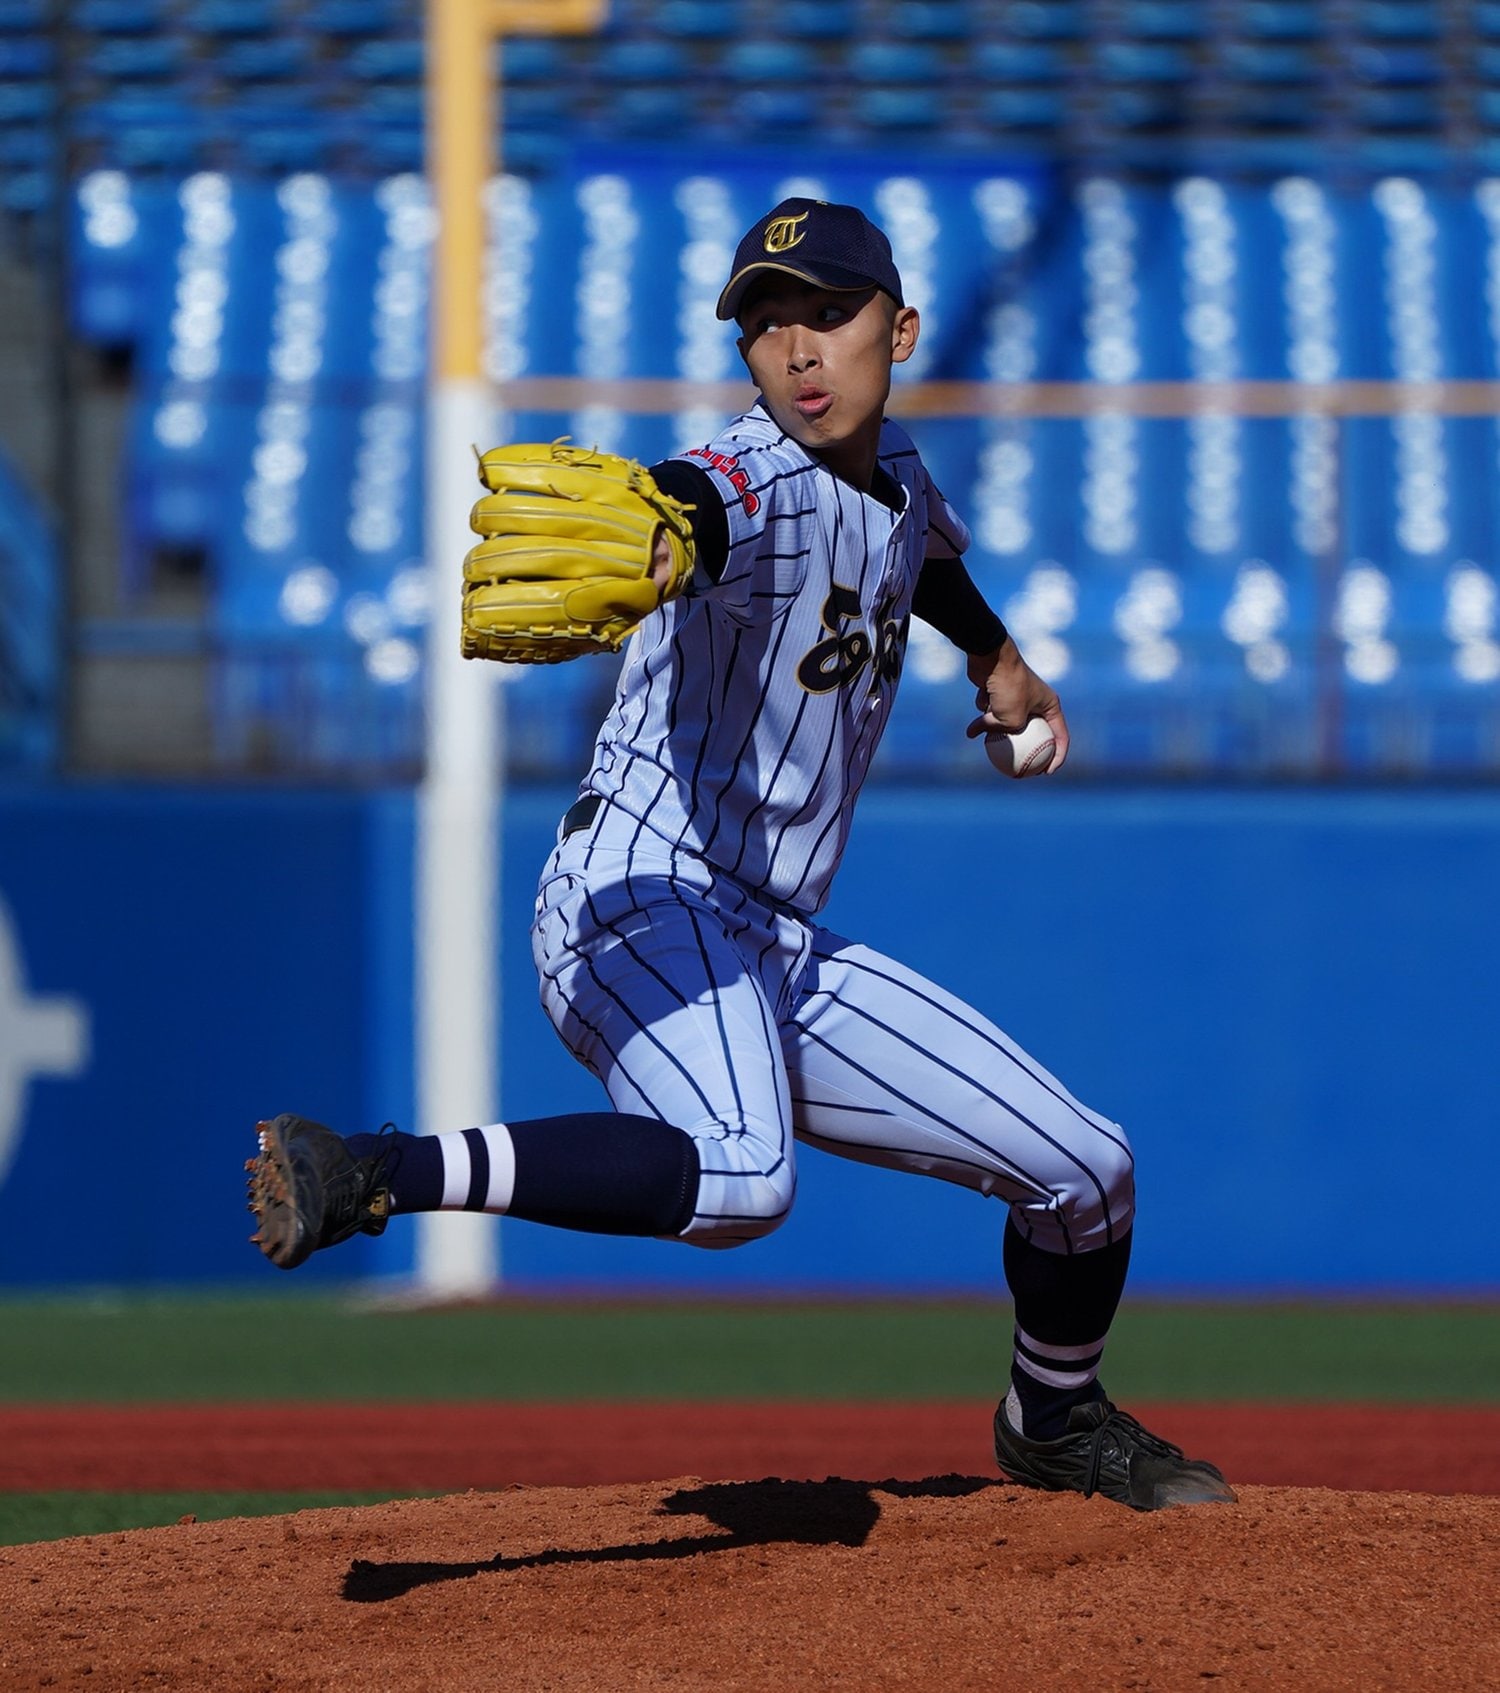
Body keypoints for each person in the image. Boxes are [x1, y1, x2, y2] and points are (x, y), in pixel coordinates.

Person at [247, 198, 1235, 1513]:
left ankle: (1053, 1415)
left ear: (903, 328)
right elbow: (702, 509)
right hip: (638, 897)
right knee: (741, 1170)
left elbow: (919, 549)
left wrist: (997, 658)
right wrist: (662, 527)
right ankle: (375, 1168)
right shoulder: (751, 478)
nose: (797, 351)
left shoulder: (898, 489)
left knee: (1086, 1170)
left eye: (828, 313)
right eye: (767, 326)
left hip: (773, 940)